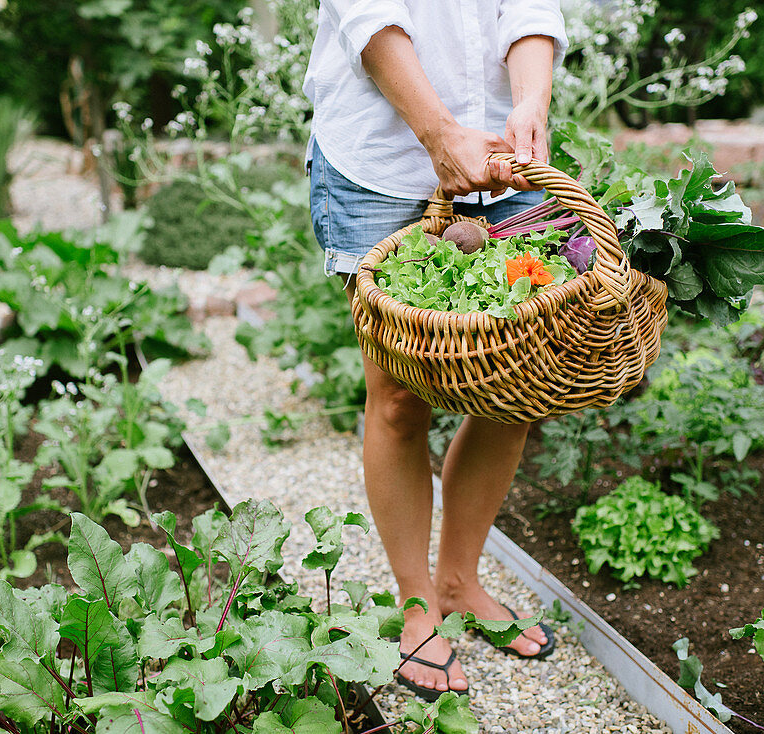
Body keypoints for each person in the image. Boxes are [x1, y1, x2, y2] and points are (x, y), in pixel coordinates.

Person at [304, 1, 568, 700]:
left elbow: (530, 10)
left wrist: (531, 105)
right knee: (397, 398)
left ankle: (460, 579)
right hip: (381, 159)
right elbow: (367, 15)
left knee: (515, 385)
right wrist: (439, 132)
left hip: (505, 162)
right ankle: (417, 600)